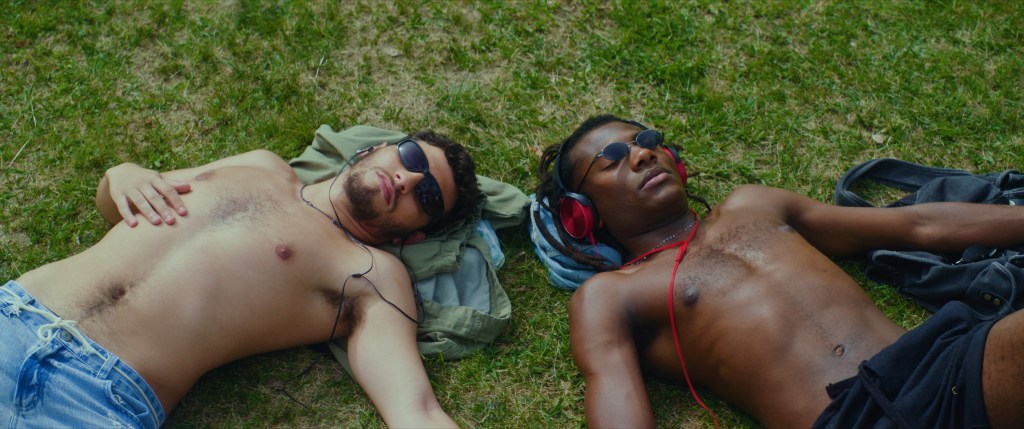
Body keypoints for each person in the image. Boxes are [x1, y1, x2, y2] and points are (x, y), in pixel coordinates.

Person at [533, 114, 1024, 428]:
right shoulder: (609, 296)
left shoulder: (754, 204)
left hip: (938, 365)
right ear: (584, 213)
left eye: (646, 140)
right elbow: (616, 399)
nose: (641, 153)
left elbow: (914, 225)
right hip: (847, 419)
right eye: (612, 159)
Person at [2, 130, 482, 428]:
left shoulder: (372, 274)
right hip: (16, 314)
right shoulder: (259, 165)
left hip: (98, 394)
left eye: (430, 196)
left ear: (415, 235)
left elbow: (414, 410)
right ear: (377, 148)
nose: (409, 180)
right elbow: (119, 205)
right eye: (412, 159)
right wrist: (120, 174)